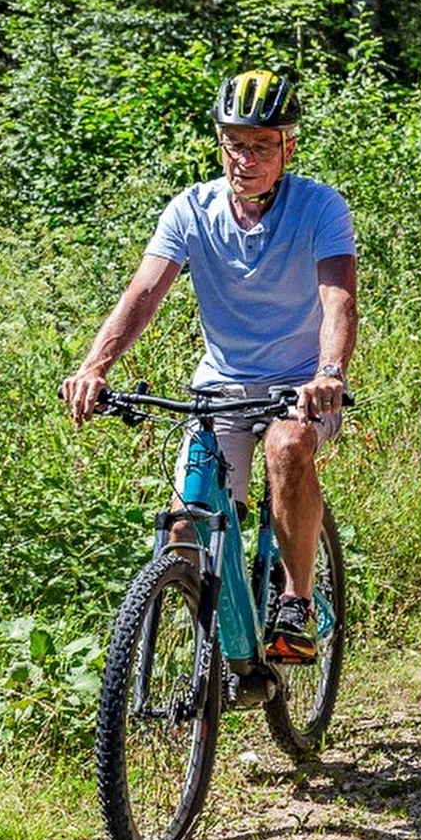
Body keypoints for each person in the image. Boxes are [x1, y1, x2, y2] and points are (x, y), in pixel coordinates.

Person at [61, 69, 358, 665]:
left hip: (300, 385)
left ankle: (297, 601)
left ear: (287, 147)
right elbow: (144, 293)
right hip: (220, 387)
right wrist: (95, 365)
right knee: (182, 533)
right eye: (234, 142)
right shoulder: (190, 210)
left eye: (261, 145)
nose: (245, 157)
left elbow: (338, 298)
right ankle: (214, 664)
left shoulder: (320, 207)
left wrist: (328, 372)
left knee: (286, 450)